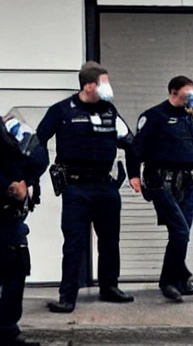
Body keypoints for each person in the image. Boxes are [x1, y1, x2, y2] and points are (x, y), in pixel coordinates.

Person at [36, 61, 140, 313]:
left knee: (109, 240)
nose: (109, 88)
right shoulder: (61, 111)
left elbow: (130, 143)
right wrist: (30, 178)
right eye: (104, 82)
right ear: (89, 85)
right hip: (76, 188)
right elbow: (37, 143)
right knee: (74, 242)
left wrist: (135, 174)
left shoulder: (109, 111)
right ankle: (67, 295)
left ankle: (109, 287)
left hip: (105, 186)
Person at [131, 75, 193, 302]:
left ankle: (180, 276)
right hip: (161, 182)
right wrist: (134, 175)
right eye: (188, 94)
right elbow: (136, 149)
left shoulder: (191, 120)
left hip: (188, 183)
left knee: (183, 233)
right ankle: (168, 280)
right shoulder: (154, 117)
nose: (192, 98)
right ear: (174, 92)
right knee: (180, 231)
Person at [0, 116, 49, 346]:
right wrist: (8, 186)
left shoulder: (9, 126)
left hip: (9, 216)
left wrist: (24, 181)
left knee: (15, 267)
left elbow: (39, 154)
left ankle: (7, 331)